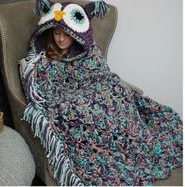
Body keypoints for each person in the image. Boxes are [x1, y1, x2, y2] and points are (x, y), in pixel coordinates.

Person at [20, 0, 183, 186]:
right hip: (72, 99)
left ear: (77, 34)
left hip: (99, 90)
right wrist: (76, 98)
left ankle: (130, 137)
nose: (61, 39)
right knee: (82, 109)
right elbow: (46, 91)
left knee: (116, 89)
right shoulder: (44, 59)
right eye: (57, 33)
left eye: (67, 34)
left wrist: (105, 89)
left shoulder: (90, 52)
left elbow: (101, 75)